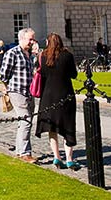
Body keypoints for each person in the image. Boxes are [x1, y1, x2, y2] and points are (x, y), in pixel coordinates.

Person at [35, 33, 81, 170]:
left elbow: (42, 74)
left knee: (52, 128)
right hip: (65, 95)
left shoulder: (43, 56)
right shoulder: (67, 55)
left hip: (48, 96)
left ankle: (56, 157)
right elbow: (74, 74)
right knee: (68, 126)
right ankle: (69, 159)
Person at [0, 27, 37, 163]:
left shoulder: (30, 54)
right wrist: (6, 89)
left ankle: (20, 151)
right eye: (30, 39)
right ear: (21, 38)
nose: (32, 41)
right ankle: (25, 153)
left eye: (33, 39)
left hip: (29, 92)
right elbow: (3, 75)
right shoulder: (12, 53)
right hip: (17, 91)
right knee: (26, 121)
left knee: (25, 122)